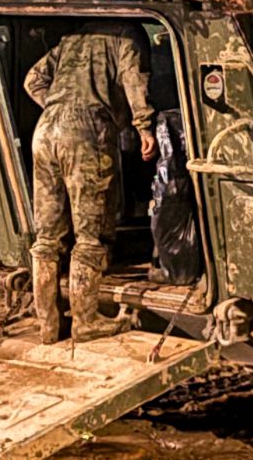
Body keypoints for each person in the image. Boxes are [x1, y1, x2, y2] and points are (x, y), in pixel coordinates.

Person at [24, 22, 156, 342]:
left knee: (47, 235)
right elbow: (133, 80)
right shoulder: (127, 36)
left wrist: (58, 106)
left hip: (45, 131)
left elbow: (33, 80)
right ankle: (85, 321)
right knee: (90, 232)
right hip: (86, 131)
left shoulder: (73, 37)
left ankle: (48, 324)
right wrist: (144, 127)